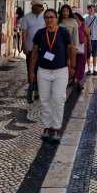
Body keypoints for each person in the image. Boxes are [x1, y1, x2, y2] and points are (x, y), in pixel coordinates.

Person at [29, 8, 76, 143]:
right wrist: (31, 71)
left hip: (60, 71)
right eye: (47, 17)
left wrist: (72, 66)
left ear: (56, 18)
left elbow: (71, 48)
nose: (49, 20)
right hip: (43, 71)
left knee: (58, 99)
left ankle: (56, 127)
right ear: (44, 20)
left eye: (52, 17)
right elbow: (35, 53)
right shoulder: (40, 33)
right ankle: (47, 126)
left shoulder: (63, 32)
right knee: (44, 100)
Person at [20, 0, 45, 103]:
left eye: (41, 6)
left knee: (41, 70)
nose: (40, 8)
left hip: (43, 49)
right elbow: (24, 32)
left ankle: (38, 90)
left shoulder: (44, 17)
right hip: (30, 48)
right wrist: (24, 45)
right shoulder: (26, 17)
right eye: (38, 6)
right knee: (30, 69)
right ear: (33, 7)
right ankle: (31, 88)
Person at [58, 4, 80, 79]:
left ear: (69, 12)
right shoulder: (58, 20)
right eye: (63, 11)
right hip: (58, 46)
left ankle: (69, 78)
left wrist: (76, 47)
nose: (65, 13)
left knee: (70, 63)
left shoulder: (73, 21)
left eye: (67, 11)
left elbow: (75, 35)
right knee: (61, 62)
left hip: (70, 46)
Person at [73, 11, 90, 90]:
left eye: (75, 17)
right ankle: (74, 79)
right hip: (74, 49)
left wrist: (90, 47)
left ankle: (79, 81)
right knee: (74, 64)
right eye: (73, 18)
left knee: (82, 65)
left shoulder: (83, 26)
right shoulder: (72, 25)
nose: (74, 19)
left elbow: (88, 37)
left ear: (79, 18)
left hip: (83, 48)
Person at [85, 5, 97, 75]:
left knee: (95, 54)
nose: (91, 10)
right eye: (90, 9)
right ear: (88, 9)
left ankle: (94, 69)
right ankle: (89, 69)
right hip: (87, 39)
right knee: (88, 54)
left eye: (92, 9)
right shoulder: (85, 18)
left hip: (95, 38)